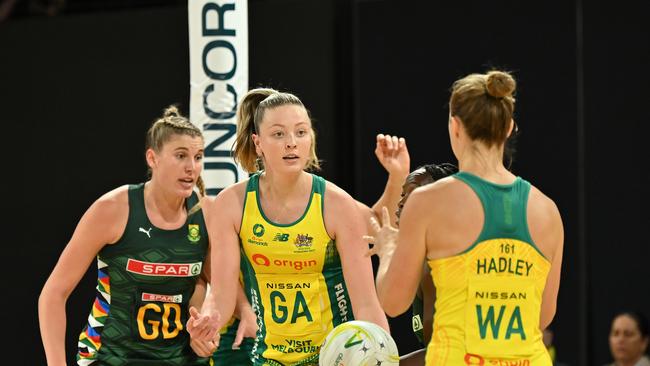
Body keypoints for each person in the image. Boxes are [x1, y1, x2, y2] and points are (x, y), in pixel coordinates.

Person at [367, 70, 565, 365]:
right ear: (509, 127)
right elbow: (542, 317)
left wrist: (388, 249)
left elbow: (393, 303)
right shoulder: (547, 209)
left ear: (455, 126)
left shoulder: (427, 201)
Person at [188, 87, 391, 365]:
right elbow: (222, 297)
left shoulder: (337, 204)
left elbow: (367, 304)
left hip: (331, 359)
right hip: (268, 359)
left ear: (311, 138)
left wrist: (384, 356)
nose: (291, 143)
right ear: (258, 142)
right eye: (279, 134)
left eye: (301, 132)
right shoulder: (231, 204)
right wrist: (208, 324)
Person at [38, 106, 214, 365]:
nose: (191, 167)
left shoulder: (206, 212)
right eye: (180, 156)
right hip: (111, 357)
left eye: (198, 157)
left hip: (181, 359)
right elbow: (53, 294)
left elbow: (217, 285)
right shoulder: (112, 209)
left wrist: (205, 320)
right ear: (152, 158)